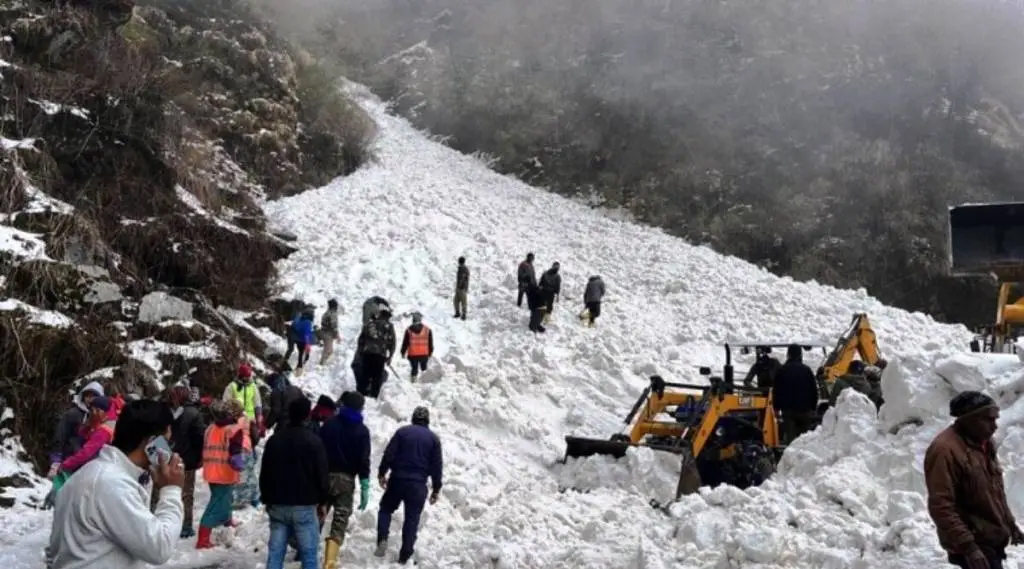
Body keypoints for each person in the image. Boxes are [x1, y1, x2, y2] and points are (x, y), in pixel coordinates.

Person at [45, 399, 184, 569]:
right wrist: (171, 490)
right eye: (167, 443)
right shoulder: (113, 485)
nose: (170, 451)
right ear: (151, 443)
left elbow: (53, 552)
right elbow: (159, 547)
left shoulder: (91, 474)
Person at [924, 391, 1024, 569]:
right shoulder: (945, 450)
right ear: (968, 419)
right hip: (974, 544)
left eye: (995, 419)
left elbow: (994, 491)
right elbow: (941, 505)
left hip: (990, 538)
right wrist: (969, 547)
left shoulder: (984, 443)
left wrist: (1010, 524)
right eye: (988, 420)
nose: (994, 426)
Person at [260, 397, 329, 569]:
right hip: (304, 504)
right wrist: (323, 501)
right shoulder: (314, 441)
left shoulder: (274, 440)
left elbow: (265, 473)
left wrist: (266, 498)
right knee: (309, 554)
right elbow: (321, 474)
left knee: (275, 553)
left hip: (278, 503)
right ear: (307, 415)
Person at [375, 407, 443, 565]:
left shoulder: (402, 432)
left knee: (386, 509)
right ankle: (405, 555)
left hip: (397, 480)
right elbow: (437, 466)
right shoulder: (434, 439)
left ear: (413, 418)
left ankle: (382, 538)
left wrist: (382, 473)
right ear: (427, 421)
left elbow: (389, 454)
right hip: (418, 485)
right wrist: (436, 489)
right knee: (412, 519)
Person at [319, 391, 372, 569]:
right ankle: (330, 561)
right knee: (340, 519)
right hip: (346, 481)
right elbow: (364, 460)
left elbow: (317, 449)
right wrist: (364, 483)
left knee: (317, 514)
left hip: (324, 477)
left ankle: (305, 551)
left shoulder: (329, 424)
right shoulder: (362, 431)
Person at [149, 386, 205, 538]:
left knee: (158, 489)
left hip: (163, 457)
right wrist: (199, 457)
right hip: (186, 459)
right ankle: (185, 526)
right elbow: (199, 438)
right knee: (186, 493)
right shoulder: (194, 414)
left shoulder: (163, 411)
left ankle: (153, 519)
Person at [196, 400, 248, 549]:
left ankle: (227, 520)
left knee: (225, 498)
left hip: (211, 470)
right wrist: (241, 467)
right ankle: (203, 540)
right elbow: (236, 456)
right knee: (216, 504)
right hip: (224, 472)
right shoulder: (233, 430)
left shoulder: (210, 428)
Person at [49, 382, 104, 481]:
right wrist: (56, 461)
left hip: (88, 467)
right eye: (88, 396)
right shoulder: (73, 414)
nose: (90, 399)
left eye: (94, 396)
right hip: (67, 461)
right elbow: (60, 435)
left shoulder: (102, 420)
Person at [771, 345, 819, 444]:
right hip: (805, 410)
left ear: (788, 355)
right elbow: (814, 390)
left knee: (791, 440)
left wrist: (776, 408)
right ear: (800, 355)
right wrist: (813, 408)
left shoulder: (782, 370)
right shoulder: (807, 370)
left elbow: (776, 391)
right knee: (804, 440)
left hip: (788, 411)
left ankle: (791, 452)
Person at [356, 304, 396, 398]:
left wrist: (360, 352)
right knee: (377, 377)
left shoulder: (369, 324)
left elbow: (361, 339)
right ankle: (373, 395)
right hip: (380, 354)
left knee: (365, 374)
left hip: (367, 353)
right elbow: (392, 342)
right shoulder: (389, 326)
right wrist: (390, 356)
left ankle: (361, 394)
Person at [266, 362, 304, 431]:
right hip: (300, 425)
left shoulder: (277, 391)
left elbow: (276, 411)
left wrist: (267, 425)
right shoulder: (295, 389)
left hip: (285, 424)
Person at [400, 312, 434, 381]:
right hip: (424, 354)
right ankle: (425, 380)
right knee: (424, 369)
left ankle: (413, 379)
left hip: (413, 354)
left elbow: (405, 343)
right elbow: (430, 343)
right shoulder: (427, 330)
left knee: (414, 368)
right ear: (420, 319)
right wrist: (430, 352)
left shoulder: (408, 330)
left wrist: (403, 352)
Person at [290, 309, 317, 375]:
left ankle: (299, 366)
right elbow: (307, 333)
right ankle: (300, 369)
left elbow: (294, 326)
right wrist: (308, 343)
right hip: (304, 340)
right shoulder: (308, 322)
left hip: (297, 339)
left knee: (301, 353)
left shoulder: (299, 318)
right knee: (305, 354)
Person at [320, 299, 341, 366]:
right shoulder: (332, 313)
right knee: (328, 350)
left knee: (330, 350)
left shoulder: (326, 312)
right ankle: (321, 364)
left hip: (324, 332)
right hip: (328, 334)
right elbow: (334, 326)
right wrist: (337, 336)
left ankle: (323, 363)